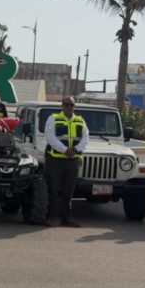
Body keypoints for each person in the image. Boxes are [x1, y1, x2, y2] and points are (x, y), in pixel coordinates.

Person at [44, 96, 89, 227]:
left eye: (71, 105)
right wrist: (64, 150)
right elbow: (50, 136)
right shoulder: (53, 118)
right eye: (66, 104)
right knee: (52, 190)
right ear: (62, 105)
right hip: (55, 161)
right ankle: (50, 217)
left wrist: (75, 150)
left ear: (74, 106)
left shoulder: (80, 120)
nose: (69, 107)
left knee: (68, 191)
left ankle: (66, 218)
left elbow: (85, 138)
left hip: (72, 161)